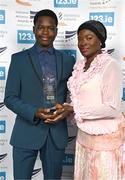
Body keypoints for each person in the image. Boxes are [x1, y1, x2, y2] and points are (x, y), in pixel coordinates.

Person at [4, 9, 75, 180]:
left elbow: (74, 96)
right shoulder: (19, 59)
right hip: (26, 131)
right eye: (40, 27)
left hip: (55, 133)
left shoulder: (68, 61)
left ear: (56, 31)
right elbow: (10, 98)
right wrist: (34, 112)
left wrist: (65, 109)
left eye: (50, 28)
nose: (45, 32)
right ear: (34, 29)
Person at [63, 20, 125, 180]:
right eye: (80, 38)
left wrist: (74, 109)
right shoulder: (80, 67)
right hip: (84, 137)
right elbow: (84, 99)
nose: (83, 42)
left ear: (100, 40)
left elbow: (113, 108)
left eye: (89, 38)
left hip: (104, 140)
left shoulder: (110, 66)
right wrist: (65, 108)